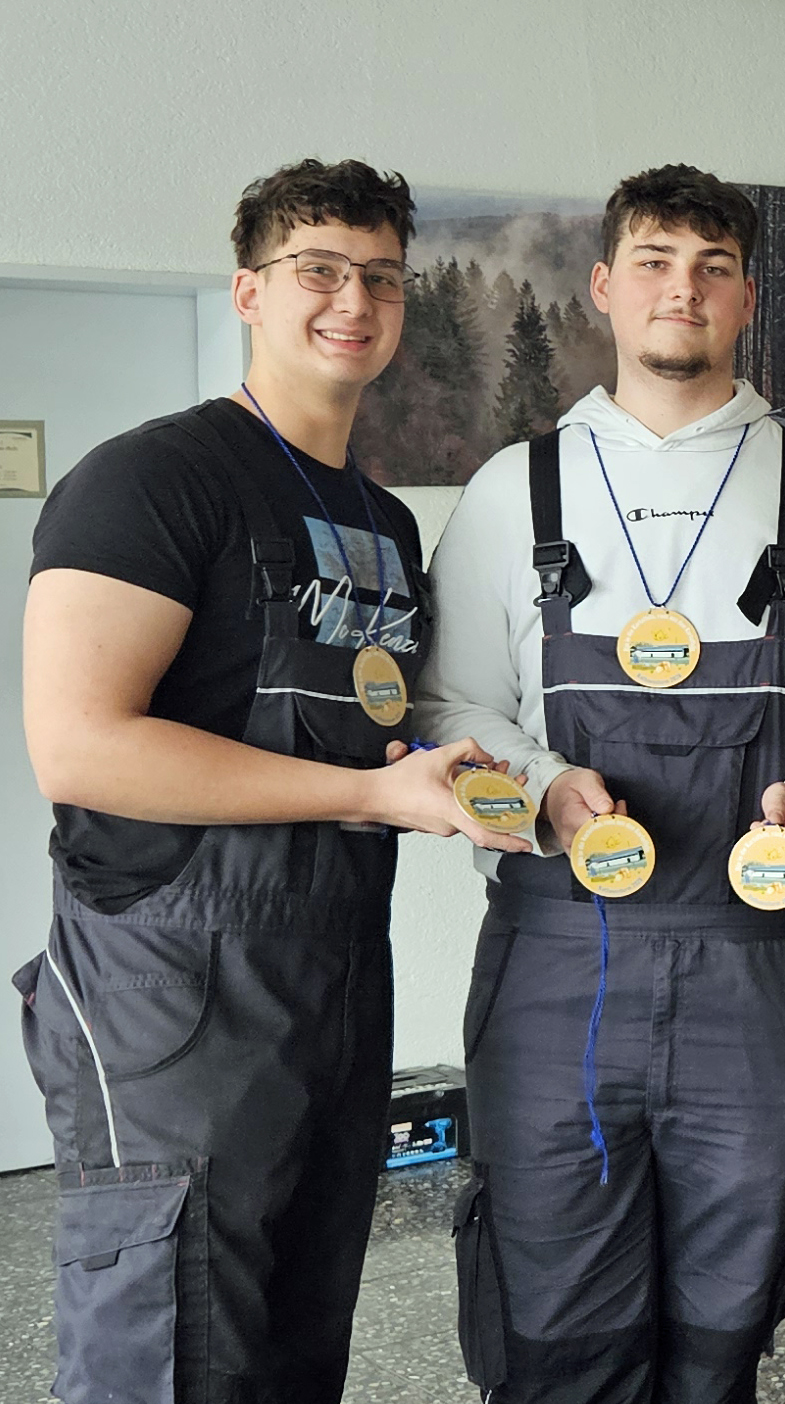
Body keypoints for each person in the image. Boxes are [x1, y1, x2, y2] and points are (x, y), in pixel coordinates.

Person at [14, 158, 522, 1404]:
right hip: (172, 988)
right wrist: (369, 798)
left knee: (298, 1335)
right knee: (173, 1343)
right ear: (249, 290)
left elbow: (376, 725)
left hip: (331, 968)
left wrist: (486, 782)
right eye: (319, 270)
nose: (356, 300)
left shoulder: (383, 522)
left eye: (382, 278)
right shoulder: (153, 479)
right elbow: (78, 745)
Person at [415, 163, 785, 1403]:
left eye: (712, 267)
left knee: (725, 1317)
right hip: (557, 966)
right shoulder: (514, 488)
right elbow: (448, 703)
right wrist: (542, 785)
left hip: (765, 965)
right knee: (555, 1317)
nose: (680, 289)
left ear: (747, 297)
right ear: (604, 286)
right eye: (653, 261)